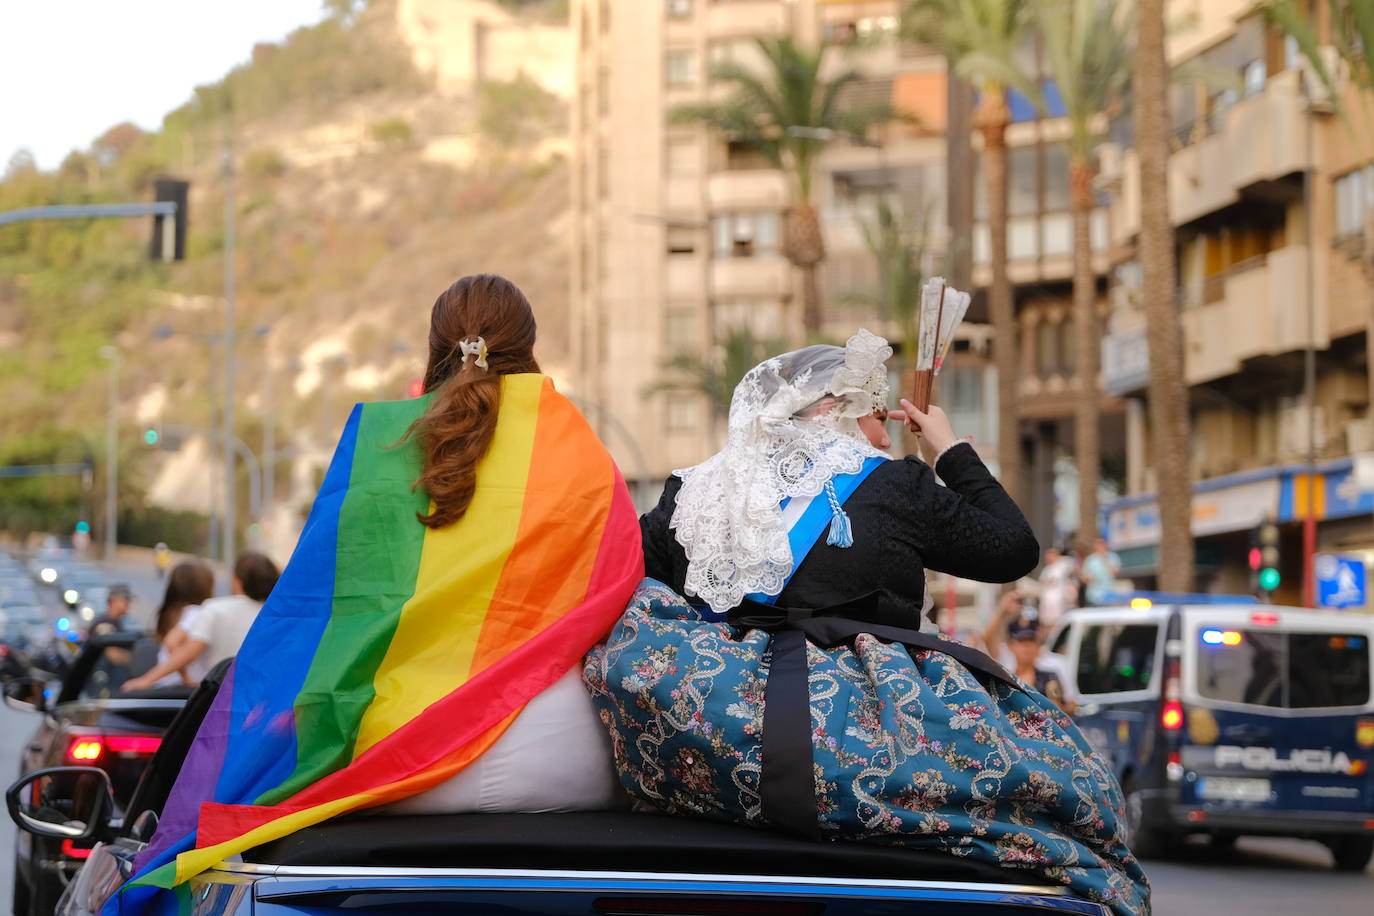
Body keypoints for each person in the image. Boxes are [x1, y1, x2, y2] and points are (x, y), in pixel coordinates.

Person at [116, 274, 644, 905]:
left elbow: (316, 615)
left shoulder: (375, 443)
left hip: (395, 768)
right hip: (562, 763)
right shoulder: (580, 450)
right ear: (528, 347)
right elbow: (620, 597)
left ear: (436, 344)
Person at [640, 330, 1039, 624]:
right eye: (878, 419)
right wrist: (950, 451)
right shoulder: (893, 485)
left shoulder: (689, 492)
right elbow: (1013, 549)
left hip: (718, 723)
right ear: (832, 411)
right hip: (852, 727)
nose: (884, 440)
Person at [123, 551, 279, 690]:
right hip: (258, 695)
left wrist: (146, 680)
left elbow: (189, 651)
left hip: (217, 695)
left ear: (238, 581)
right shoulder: (276, 615)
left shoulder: (215, 608)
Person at [146, 560, 215, 688]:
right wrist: (186, 677)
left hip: (164, 684)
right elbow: (171, 641)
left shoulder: (172, 613)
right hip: (181, 687)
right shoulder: (197, 613)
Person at [1004, 613, 1076, 715]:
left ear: (1038, 644)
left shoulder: (1049, 677)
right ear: (1010, 645)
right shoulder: (1005, 678)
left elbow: (1061, 709)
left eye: (1031, 641)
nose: (1027, 647)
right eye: (1021, 641)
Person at [1036, 545, 1078, 631]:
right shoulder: (1047, 569)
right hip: (1046, 600)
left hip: (1057, 600)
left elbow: (1072, 562)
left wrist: (1058, 556)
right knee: (1046, 622)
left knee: (1057, 623)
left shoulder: (1062, 565)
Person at [1081, 536, 1122, 606]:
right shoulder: (1090, 560)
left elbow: (1116, 572)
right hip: (1094, 596)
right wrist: (1089, 579)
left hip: (1109, 595)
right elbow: (1084, 578)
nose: (1101, 546)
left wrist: (1104, 559)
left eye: (1102, 543)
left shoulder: (1113, 557)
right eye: (1098, 544)